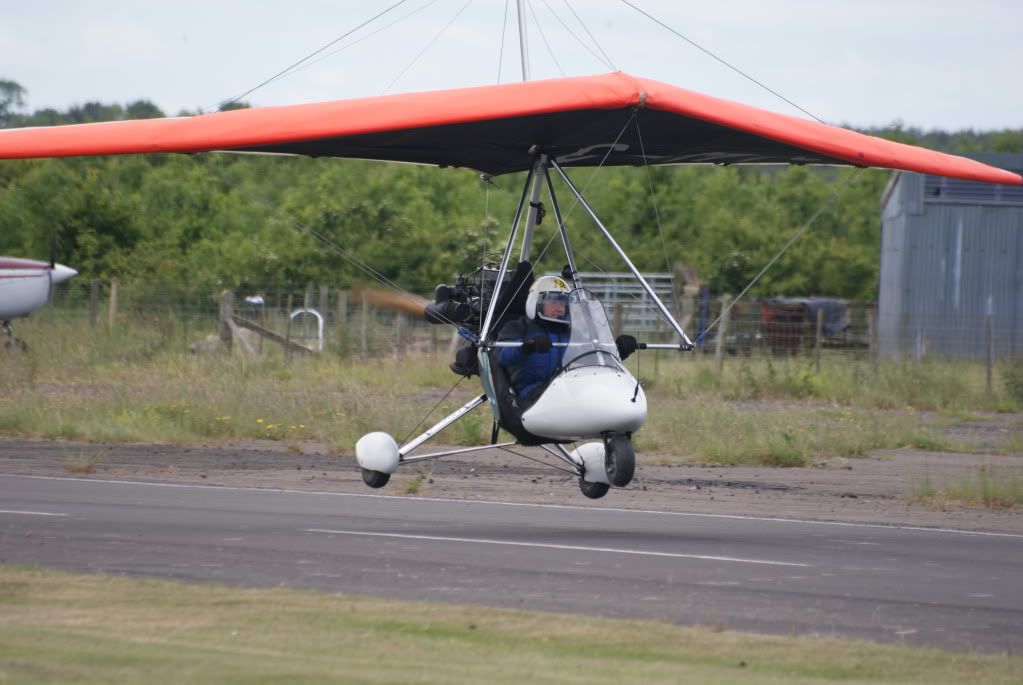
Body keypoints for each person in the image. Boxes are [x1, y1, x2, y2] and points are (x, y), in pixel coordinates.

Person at [497, 275, 572, 407]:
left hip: (566, 388)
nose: (559, 308)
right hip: (530, 392)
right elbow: (503, 357)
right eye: (553, 301)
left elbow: (591, 354)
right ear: (535, 302)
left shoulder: (571, 332)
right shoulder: (519, 327)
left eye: (563, 302)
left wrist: (617, 351)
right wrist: (527, 346)